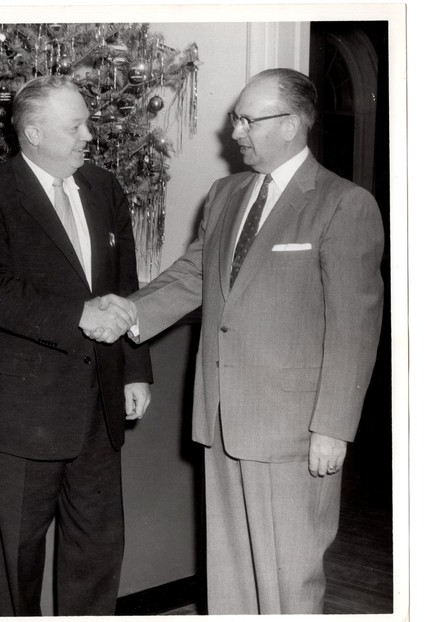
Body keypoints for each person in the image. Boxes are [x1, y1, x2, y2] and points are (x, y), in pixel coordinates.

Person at [111, 68, 383, 614]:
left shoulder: (342, 203)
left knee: (290, 574)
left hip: (294, 428)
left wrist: (332, 427)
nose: (234, 131)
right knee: (229, 574)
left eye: (247, 119)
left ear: (292, 124)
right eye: (236, 117)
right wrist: (124, 313)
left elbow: (356, 327)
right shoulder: (226, 193)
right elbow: (193, 277)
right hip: (220, 417)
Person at [0, 75, 153, 616]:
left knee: (97, 547)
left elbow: (125, 285)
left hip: (99, 403)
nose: (90, 135)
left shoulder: (104, 187)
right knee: (18, 555)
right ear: (34, 132)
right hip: (27, 410)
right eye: (76, 126)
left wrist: (135, 368)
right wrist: (78, 316)